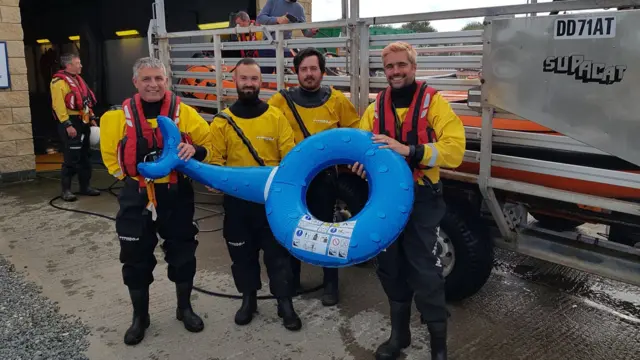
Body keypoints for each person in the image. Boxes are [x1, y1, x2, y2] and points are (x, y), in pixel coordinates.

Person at [354, 41, 465, 360]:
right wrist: (361, 164)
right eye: (389, 66)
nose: (396, 71)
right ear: (384, 71)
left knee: (424, 269)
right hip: (385, 198)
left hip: (422, 197)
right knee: (389, 265)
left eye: (402, 65)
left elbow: (455, 150)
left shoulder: (434, 103)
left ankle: (438, 345)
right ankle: (398, 336)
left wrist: (410, 150)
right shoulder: (374, 108)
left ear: (413, 67)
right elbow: (363, 148)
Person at [100, 57, 215, 345]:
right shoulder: (113, 118)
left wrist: (195, 149)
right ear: (135, 82)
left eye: (158, 79)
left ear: (167, 81)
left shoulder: (186, 114)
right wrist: (139, 182)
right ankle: (141, 317)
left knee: (184, 251)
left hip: (176, 195)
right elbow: (110, 161)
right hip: (136, 196)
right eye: (147, 79)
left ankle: (184, 308)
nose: (153, 84)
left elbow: (211, 147)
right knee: (134, 256)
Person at [208, 57, 302, 331]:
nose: (249, 84)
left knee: (278, 257)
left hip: (270, 204)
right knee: (242, 257)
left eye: (254, 79)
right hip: (237, 205)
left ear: (262, 82)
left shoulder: (276, 117)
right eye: (244, 78)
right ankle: (248, 299)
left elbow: (290, 161)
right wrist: (214, 180)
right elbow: (215, 161)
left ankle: (285, 302)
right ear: (234, 81)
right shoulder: (222, 121)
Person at [267, 47, 361, 307]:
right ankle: (293, 280)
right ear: (296, 72)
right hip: (292, 181)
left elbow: (355, 134)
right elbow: (265, 128)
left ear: (322, 71)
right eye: (304, 69)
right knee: (292, 229)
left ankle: (331, 285)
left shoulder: (337, 100)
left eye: (314, 69)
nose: (309, 74)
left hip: (324, 181)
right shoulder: (280, 101)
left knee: (326, 231)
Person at [50, 53, 100, 201]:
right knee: (71, 158)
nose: (81, 65)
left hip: (83, 121)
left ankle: (85, 187)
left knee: (85, 156)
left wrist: (91, 118)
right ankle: (66, 190)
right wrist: (67, 125)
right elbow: (58, 106)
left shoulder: (78, 80)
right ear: (68, 65)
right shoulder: (58, 82)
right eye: (78, 63)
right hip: (70, 122)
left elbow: (84, 101)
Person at [256, 0, 318, 74]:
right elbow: (260, 19)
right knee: (265, 78)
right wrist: (277, 19)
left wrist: (312, 32)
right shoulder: (273, 1)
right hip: (267, 47)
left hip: (284, 49)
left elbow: (306, 33)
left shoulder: (299, 8)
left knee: (283, 79)